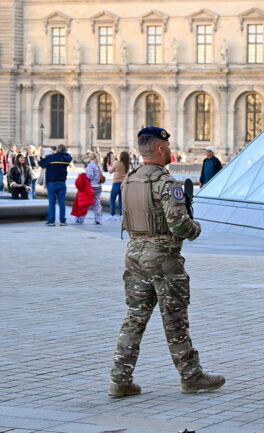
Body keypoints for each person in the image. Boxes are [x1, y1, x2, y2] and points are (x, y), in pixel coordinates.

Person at [109, 126, 225, 398]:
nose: (171, 151)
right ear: (161, 149)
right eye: (168, 146)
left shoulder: (129, 180)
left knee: (134, 318)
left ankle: (119, 378)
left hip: (134, 254)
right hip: (162, 259)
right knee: (175, 319)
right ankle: (191, 376)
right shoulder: (167, 184)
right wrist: (194, 228)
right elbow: (178, 224)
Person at [39, 144, 72, 226]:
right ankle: (62, 220)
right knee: (62, 202)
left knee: (52, 202)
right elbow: (69, 157)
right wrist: (63, 152)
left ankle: (51, 221)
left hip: (51, 183)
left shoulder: (51, 158)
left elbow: (41, 163)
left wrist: (45, 154)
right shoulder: (66, 158)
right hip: (62, 182)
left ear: (57, 150)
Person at [77, 152, 104, 224]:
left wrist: (83, 174)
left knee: (85, 203)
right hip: (98, 187)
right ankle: (98, 219)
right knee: (97, 204)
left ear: (90, 158)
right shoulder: (98, 165)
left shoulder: (91, 165)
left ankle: (80, 219)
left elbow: (89, 176)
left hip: (91, 187)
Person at [107, 151, 130, 220]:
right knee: (121, 200)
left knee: (112, 199)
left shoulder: (118, 163)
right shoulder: (127, 164)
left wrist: (108, 166)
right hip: (124, 183)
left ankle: (112, 214)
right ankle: (121, 215)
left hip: (116, 182)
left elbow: (110, 171)